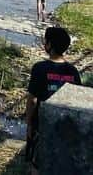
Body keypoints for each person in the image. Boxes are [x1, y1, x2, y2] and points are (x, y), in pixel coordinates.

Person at [25, 25, 83, 172]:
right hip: (66, 126)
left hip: (43, 124)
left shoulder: (39, 68)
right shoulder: (73, 71)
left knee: (37, 164)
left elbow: (32, 100)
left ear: (50, 45)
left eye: (46, 41)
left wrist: (29, 124)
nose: (44, 44)